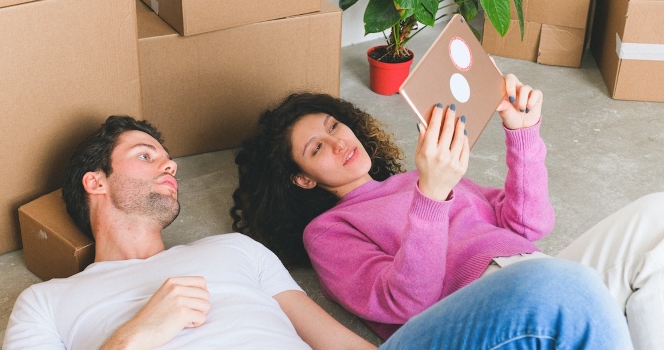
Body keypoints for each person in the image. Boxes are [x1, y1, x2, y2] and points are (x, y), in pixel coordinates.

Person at [2, 115, 633, 349]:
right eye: (145, 155)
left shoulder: (234, 250)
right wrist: (137, 336)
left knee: (560, 289)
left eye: (167, 156)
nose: (169, 163)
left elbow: (341, 342)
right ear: (95, 182)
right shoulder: (47, 302)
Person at [230, 75, 664, 350]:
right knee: (567, 282)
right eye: (317, 148)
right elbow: (405, 301)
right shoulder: (328, 231)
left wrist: (522, 133)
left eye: (334, 127)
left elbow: (528, 226)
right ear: (303, 178)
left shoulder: (417, 177)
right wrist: (432, 196)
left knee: (658, 212)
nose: (340, 143)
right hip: (477, 313)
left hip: (538, 273)